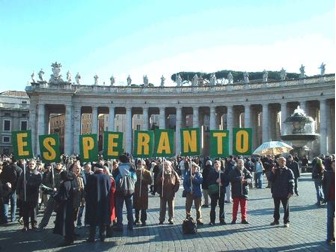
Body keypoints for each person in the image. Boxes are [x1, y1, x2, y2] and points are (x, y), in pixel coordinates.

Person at [85, 164, 111, 242]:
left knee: (93, 220)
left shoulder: (92, 177)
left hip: (93, 202)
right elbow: (109, 188)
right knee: (103, 219)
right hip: (104, 202)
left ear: (95, 168)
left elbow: (87, 189)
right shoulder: (107, 177)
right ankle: (102, 235)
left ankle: (92, 237)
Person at [16, 159, 42, 231]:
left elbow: (38, 183)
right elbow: (19, 182)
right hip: (24, 194)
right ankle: (26, 225)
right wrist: (17, 192)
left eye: (32, 164)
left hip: (33, 194)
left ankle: (34, 225)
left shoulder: (38, 174)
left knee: (33, 210)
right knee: (25, 211)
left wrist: (28, 183)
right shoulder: (24, 173)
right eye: (30, 164)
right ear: (28, 165)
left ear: (35, 165)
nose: (31, 165)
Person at [37, 162, 64, 231]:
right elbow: (46, 182)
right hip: (53, 194)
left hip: (61, 194)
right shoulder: (51, 172)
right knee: (48, 210)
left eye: (59, 164)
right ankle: (42, 225)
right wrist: (52, 187)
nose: (58, 165)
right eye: (57, 164)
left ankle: (59, 225)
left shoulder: (64, 172)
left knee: (61, 211)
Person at [269, 157, 294, 227]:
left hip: (285, 192)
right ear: (278, 162)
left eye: (283, 161)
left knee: (286, 207)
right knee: (276, 207)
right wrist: (273, 173)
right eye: (281, 161)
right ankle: (276, 220)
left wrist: (291, 191)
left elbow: (292, 182)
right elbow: (271, 180)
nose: (282, 163)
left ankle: (286, 221)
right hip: (276, 191)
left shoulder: (289, 171)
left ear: (285, 162)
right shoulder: (275, 170)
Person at [114, 154, 137, 231]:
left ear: (120, 160)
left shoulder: (117, 169)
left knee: (119, 209)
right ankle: (130, 225)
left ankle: (119, 225)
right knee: (129, 208)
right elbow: (135, 179)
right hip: (130, 191)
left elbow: (115, 180)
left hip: (119, 191)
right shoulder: (131, 168)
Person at [53, 170, 75, 246]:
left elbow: (63, 197)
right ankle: (70, 237)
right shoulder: (71, 182)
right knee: (70, 222)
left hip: (65, 205)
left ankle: (67, 238)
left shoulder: (65, 184)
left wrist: (55, 195)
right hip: (70, 205)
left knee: (65, 223)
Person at [156, 160, 180, 224]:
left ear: (170, 165)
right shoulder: (161, 173)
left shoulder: (173, 173)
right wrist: (160, 179)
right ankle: (161, 219)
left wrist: (174, 190)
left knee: (171, 207)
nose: (166, 166)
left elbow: (178, 181)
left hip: (171, 192)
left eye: (167, 165)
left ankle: (171, 218)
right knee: (162, 207)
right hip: (163, 192)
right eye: (165, 165)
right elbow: (156, 181)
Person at [229, 159, 252, 224]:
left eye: (241, 163)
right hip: (236, 191)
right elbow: (230, 178)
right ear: (237, 163)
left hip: (244, 191)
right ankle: (234, 219)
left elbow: (250, 179)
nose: (240, 164)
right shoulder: (233, 171)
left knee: (244, 207)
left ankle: (244, 219)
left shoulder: (246, 170)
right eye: (239, 163)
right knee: (235, 206)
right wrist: (238, 179)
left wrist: (246, 181)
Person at [206, 160, 229, 225]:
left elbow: (227, 182)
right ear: (214, 165)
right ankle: (212, 220)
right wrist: (215, 181)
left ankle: (222, 219)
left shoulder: (223, 173)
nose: (217, 165)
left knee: (222, 206)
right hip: (214, 192)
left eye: (218, 164)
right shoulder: (211, 173)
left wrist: (222, 184)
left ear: (220, 165)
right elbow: (208, 181)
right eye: (215, 164)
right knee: (213, 206)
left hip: (221, 191)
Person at [0, 158, 22, 224]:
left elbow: (2, 177)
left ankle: (5, 218)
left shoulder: (5, 168)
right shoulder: (19, 169)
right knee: (13, 203)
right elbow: (20, 180)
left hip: (6, 187)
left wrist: (6, 183)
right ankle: (13, 218)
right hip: (14, 188)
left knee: (5, 203)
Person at [133, 159, 152, 226]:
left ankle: (143, 220)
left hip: (144, 192)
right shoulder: (134, 172)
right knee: (136, 207)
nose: (139, 165)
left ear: (144, 165)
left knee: (144, 207)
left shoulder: (147, 172)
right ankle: (137, 219)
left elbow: (150, 181)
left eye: (141, 164)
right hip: (136, 191)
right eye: (138, 164)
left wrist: (143, 180)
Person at [322, 160, 335, 245]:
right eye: (334, 165)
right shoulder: (328, 174)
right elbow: (323, 184)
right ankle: (330, 237)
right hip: (330, 199)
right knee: (330, 218)